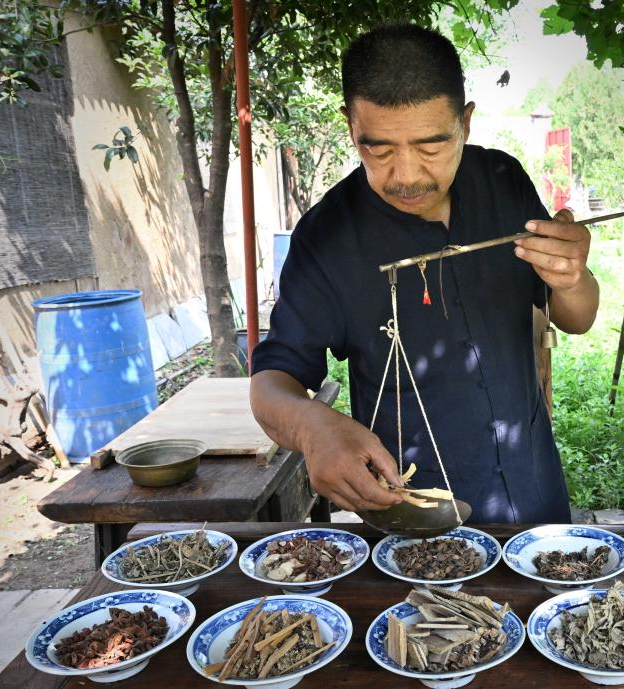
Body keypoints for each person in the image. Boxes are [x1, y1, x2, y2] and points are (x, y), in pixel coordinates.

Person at [250, 23, 599, 524]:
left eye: (432, 147)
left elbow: (577, 318)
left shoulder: (503, 183)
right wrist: (310, 427)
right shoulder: (327, 239)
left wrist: (573, 277)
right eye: (379, 149)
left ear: (465, 124)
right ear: (351, 126)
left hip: (535, 492)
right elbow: (270, 383)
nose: (408, 175)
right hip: (419, 521)